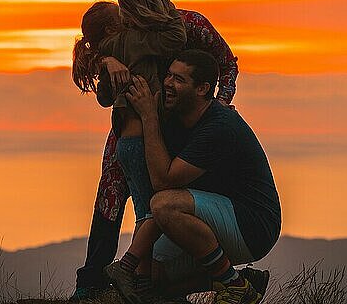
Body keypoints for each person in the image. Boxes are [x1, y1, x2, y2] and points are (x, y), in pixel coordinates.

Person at [72, 0, 241, 301]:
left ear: (142, 12)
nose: (125, 22)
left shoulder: (191, 25)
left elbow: (226, 63)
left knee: (163, 200)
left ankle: (156, 280)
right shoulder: (131, 35)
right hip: (134, 123)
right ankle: (92, 281)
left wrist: (218, 107)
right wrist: (107, 61)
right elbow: (101, 63)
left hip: (180, 125)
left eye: (128, 16)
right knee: (111, 192)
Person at [105, 50, 281, 304]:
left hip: (252, 225)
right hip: (215, 218)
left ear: (202, 89)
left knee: (164, 205)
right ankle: (241, 282)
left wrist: (149, 117)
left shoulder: (218, 128)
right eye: (168, 75)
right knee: (152, 276)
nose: (168, 83)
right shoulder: (180, 118)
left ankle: (234, 286)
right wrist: (109, 59)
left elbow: (163, 182)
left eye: (178, 79)